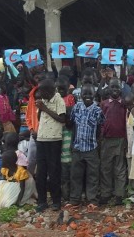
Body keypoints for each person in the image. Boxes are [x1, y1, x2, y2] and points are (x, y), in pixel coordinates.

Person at [69, 84, 104, 209]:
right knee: (76, 175)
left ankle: (92, 200)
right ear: (81, 95)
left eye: (90, 94)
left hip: (91, 148)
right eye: (85, 94)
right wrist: (72, 144)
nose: (87, 96)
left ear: (94, 95)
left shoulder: (98, 110)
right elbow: (74, 126)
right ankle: (74, 199)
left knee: (92, 176)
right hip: (78, 147)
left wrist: (97, 144)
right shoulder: (76, 108)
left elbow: (100, 128)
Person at [34, 78, 67, 212]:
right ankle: (42, 201)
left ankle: (56, 201)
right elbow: (38, 118)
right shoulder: (44, 101)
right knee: (41, 172)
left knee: (54, 172)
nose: (40, 94)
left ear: (50, 91)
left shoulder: (59, 100)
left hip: (54, 140)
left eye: (42, 91)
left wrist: (45, 109)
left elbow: (62, 119)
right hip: (41, 139)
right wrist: (41, 109)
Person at [99, 78, 128, 206]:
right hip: (107, 140)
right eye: (112, 87)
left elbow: (127, 123)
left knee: (119, 168)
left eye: (117, 87)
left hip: (121, 139)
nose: (115, 90)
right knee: (106, 167)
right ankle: (106, 193)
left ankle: (119, 194)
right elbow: (100, 122)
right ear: (108, 89)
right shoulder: (104, 104)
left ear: (121, 89)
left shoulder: (125, 104)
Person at [56, 77, 74, 205]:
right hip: (62, 160)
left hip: (72, 160)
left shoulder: (73, 131)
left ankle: (72, 197)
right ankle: (66, 197)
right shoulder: (59, 132)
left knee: (73, 178)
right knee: (64, 179)